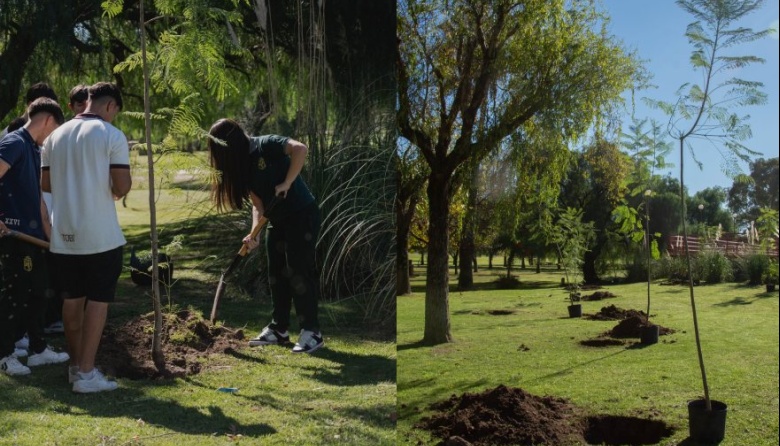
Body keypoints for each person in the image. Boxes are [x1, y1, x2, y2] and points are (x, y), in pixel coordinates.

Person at [41, 82, 131, 392]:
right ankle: (88, 373)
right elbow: (121, 187)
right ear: (110, 106)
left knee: (72, 299)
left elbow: (47, 184)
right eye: (115, 113)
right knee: (98, 301)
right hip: (100, 235)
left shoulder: (55, 136)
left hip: (64, 234)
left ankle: (76, 365)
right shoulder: (111, 135)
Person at [207, 118, 324, 354]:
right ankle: (278, 329)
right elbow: (257, 203)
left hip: (301, 214)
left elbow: (300, 149)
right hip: (277, 220)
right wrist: (254, 233)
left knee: (298, 271)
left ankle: (312, 332)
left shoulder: (266, 145)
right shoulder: (242, 163)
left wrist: (287, 183)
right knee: (276, 274)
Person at [0, 97, 69, 376]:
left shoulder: (33, 149)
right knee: (14, 296)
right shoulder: (15, 142)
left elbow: (39, 199)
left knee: (39, 291)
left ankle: (38, 349)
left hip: (32, 236)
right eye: (55, 131)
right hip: (12, 236)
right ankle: (4, 354)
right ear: (48, 121)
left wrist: (51, 236)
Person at [42, 84, 89, 335]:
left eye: (87, 101)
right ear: (70, 106)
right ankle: (56, 318)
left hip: (84, 214)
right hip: (59, 213)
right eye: (78, 103)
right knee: (60, 272)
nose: (84, 107)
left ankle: (80, 316)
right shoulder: (58, 137)